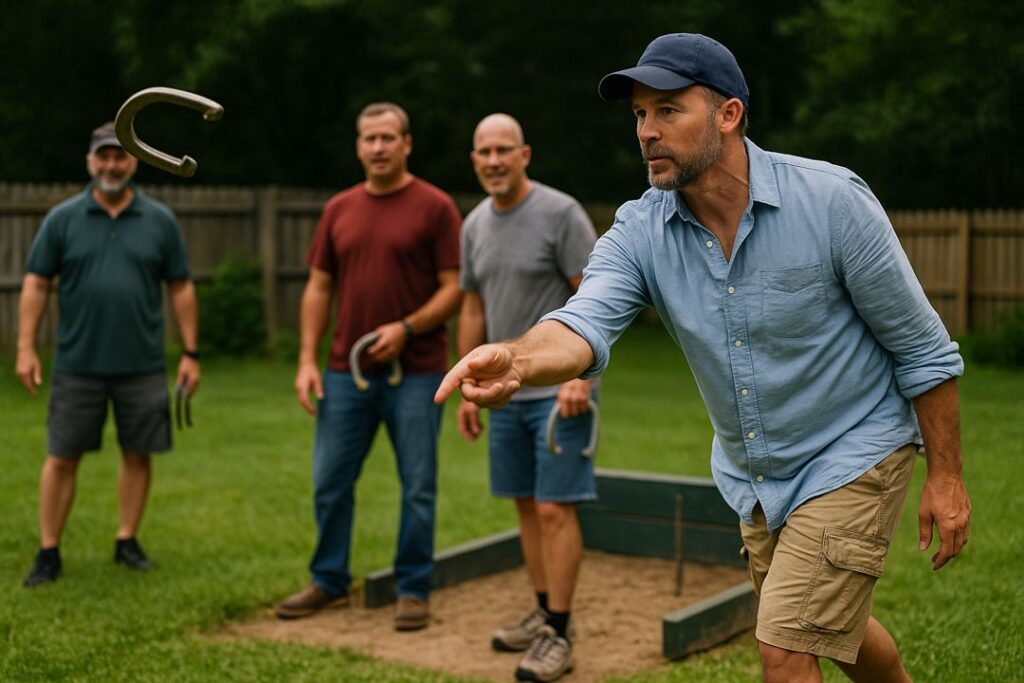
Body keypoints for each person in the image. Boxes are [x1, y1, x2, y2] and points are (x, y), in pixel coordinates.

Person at [436, 33, 971, 683]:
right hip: (756, 478)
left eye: (667, 110)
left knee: (784, 646)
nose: (647, 131)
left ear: (728, 114)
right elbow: (584, 319)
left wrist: (945, 476)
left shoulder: (831, 203)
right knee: (837, 632)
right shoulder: (641, 231)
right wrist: (519, 358)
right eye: (639, 114)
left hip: (854, 449)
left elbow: (923, 349)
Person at [275, 102, 462, 632]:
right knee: (330, 481)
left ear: (406, 144)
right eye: (368, 138)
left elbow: (453, 290)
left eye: (388, 137)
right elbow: (318, 287)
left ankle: (412, 588)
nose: (377, 147)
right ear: (358, 146)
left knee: (418, 485)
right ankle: (329, 579)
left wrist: (407, 328)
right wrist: (306, 361)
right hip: (344, 372)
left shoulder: (436, 207)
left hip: (419, 371)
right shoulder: (338, 209)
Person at [17, 122, 200, 587]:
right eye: (103, 156)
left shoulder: (160, 220)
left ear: (134, 162)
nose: (111, 165)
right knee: (61, 457)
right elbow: (37, 282)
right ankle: (48, 550)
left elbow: (180, 286)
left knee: (139, 453)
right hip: (77, 363)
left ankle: (126, 540)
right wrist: (25, 347)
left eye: (120, 157)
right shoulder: (63, 219)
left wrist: (191, 352)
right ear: (89, 162)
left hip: (141, 364)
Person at [458, 114, 598, 682]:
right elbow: (472, 308)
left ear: (525, 155)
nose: (493, 160)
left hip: (558, 392)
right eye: (483, 151)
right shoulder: (473, 225)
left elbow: (596, 298)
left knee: (553, 508)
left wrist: (580, 376)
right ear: (474, 160)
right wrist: (469, 387)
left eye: (503, 150)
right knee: (524, 504)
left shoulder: (561, 214)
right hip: (501, 394)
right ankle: (542, 611)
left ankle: (560, 634)